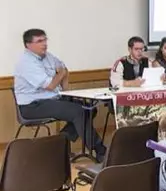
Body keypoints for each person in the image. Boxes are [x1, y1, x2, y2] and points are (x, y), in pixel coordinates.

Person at [13, 28, 107, 161]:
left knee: (90, 109)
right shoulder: (26, 63)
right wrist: (61, 74)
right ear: (28, 45)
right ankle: (100, 150)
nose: (44, 44)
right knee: (78, 111)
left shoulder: (48, 57)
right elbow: (51, 85)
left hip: (52, 99)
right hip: (32, 106)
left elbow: (64, 69)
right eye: (40, 41)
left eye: (45, 39)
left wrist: (65, 91)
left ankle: (58, 145)